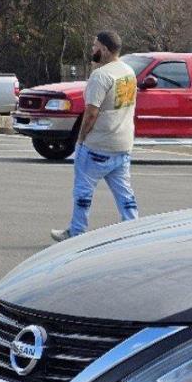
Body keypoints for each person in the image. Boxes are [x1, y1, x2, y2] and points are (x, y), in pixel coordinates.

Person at [50, 30, 138, 242]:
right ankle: (134, 230)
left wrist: (80, 140)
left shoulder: (101, 76)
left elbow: (91, 113)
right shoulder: (128, 72)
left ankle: (77, 232)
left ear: (105, 50)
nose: (92, 50)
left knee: (83, 191)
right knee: (125, 194)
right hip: (123, 144)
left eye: (95, 46)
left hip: (98, 144)